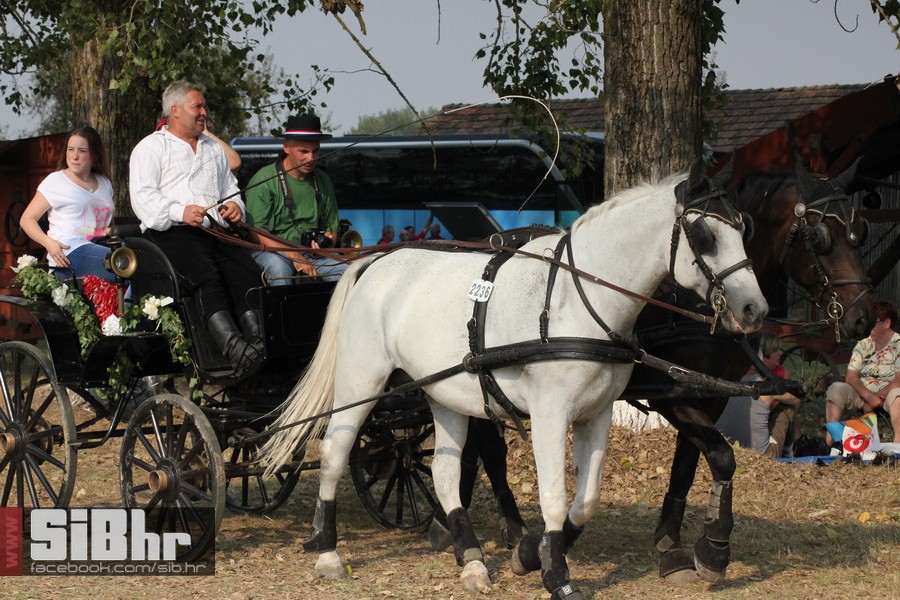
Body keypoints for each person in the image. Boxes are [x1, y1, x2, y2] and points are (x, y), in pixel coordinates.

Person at [129, 80, 265, 379]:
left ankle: (259, 343)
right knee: (205, 275)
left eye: (204, 106)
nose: (204, 112)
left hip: (214, 230)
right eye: (198, 107)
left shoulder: (213, 148)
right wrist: (180, 211)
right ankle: (234, 348)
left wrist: (235, 207)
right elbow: (143, 198)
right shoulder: (151, 148)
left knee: (246, 270)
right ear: (175, 111)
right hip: (170, 233)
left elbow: (230, 189)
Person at [243, 114, 345, 285]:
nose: (311, 158)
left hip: (314, 255)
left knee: (349, 272)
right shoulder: (264, 180)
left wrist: (325, 244)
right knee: (279, 270)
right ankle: (278, 304)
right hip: (271, 252)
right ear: (286, 147)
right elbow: (256, 234)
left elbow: (332, 229)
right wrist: (294, 255)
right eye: (303, 151)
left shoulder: (323, 179)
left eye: (315, 151)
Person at [20, 126, 116, 282]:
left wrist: (107, 230)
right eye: (71, 149)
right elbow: (27, 219)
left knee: (141, 258)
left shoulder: (104, 183)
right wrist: (49, 244)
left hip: (100, 246)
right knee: (120, 263)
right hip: (68, 251)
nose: (74, 156)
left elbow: (108, 222)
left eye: (82, 151)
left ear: (95, 155)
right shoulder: (56, 181)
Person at [825, 300, 900, 445]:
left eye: (874, 321)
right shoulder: (864, 344)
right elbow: (851, 377)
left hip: (889, 394)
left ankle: (898, 447)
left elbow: (898, 380)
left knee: (898, 396)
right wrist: (869, 397)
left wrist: (875, 400)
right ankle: (831, 444)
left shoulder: (898, 344)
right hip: (863, 394)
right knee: (836, 389)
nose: (869, 325)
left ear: (887, 323)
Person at [748, 332, 801, 458]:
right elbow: (795, 399)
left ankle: (789, 446)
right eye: (775, 350)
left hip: (766, 421)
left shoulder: (781, 372)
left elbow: (796, 399)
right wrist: (774, 395)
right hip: (761, 450)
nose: (780, 353)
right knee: (787, 408)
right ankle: (788, 452)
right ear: (764, 356)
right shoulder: (754, 378)